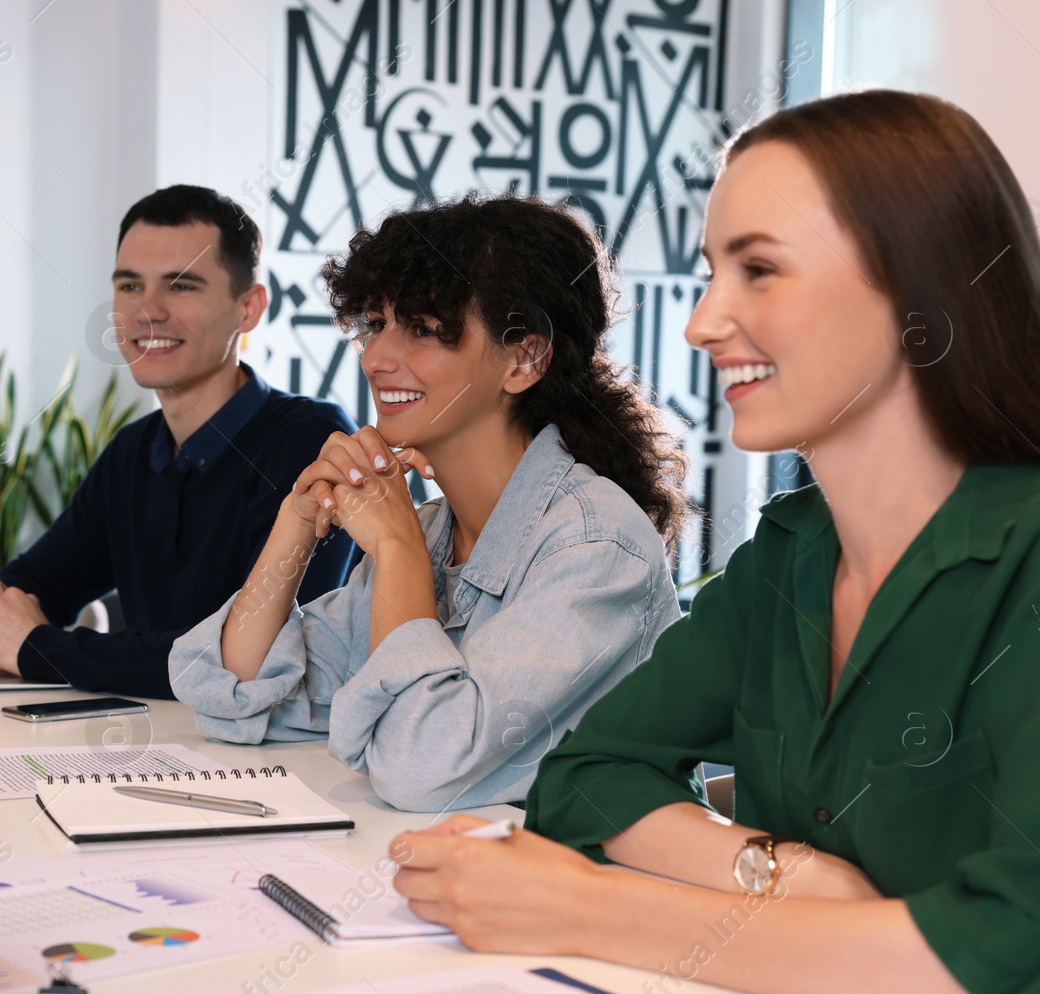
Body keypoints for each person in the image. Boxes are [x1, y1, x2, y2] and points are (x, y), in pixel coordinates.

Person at [389, 90, 1040, 994]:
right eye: (709, 272)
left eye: (760, 269)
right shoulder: (791, 550)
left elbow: (1028, 953)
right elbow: (589, 773)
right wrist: (780, 872)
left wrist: (591, 908)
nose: (702, 322)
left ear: (919, 295)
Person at [169, 193, 688, 811]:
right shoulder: (434, 531)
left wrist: (395, 551)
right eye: (376, 325)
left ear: (524, 358)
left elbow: (421, 765)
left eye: (421, 329)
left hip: (591, 896)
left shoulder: (596, 547)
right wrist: (298, 523)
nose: (376, 357)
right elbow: (240, 697)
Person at [0, 185, 357, 698]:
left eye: (181, 286)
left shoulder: (310, 444)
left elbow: (261, 656)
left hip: (270, 761)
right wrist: (8, 625)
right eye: (129, 286)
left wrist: (41, 648)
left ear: (248, 308)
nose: (147, 312)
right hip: (163, 739)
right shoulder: (133, 452)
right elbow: (20, 594)